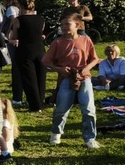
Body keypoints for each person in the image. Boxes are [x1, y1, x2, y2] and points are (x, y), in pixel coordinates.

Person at [43, 13, 101, 148]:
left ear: (77, 25)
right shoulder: (57, 42)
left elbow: (95, 59)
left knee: (88, 109)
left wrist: (86, 68)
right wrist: (59, 69)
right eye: (62, 24)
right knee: (62, 108)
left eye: (67, 24)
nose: (63, 27)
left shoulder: (86, 40)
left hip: (84, 77)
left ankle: (90, 137)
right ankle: (56, 133)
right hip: (66, 78)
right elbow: (46, 61)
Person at [9, 0, 49, 112]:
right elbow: (42, 33)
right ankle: (40, 102)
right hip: (40, 50)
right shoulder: (41, 19)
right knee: (41, 77)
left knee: (29, 79)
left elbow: (13, 36)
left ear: (20, 7)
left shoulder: (18, 20)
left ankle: (35, 106)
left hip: (25, 50)